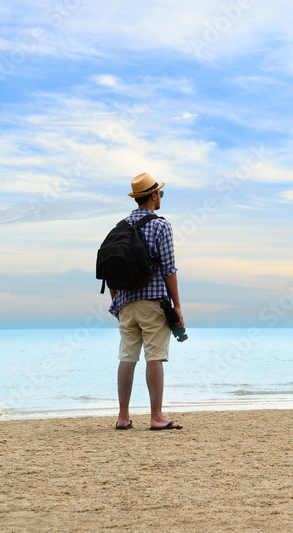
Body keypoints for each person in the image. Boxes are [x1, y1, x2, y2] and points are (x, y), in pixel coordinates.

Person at [107, 172, 184, 431]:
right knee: (155, 356)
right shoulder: (161, 225)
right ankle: (156, 417)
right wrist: (177, 305)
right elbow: (169, 269)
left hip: (125, 303)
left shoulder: (120, 226)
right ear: (152, 196)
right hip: (153, 302)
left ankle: (122, 417)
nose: (160, 197)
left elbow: (110, 271)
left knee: (127, 356)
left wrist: (117, 303)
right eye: (159, 193)